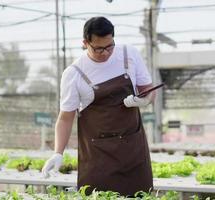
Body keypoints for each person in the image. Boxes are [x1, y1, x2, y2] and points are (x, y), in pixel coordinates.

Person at [41, 16, 154, 196]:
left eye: (110, 46)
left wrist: (145, 99)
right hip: (98, 155)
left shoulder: (129, 54)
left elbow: (149, 90)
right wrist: (58, 153)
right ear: (85, 43)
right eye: (99, 48)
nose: (106, 53)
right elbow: (65, 117)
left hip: (133, 148)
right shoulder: (74, 73)